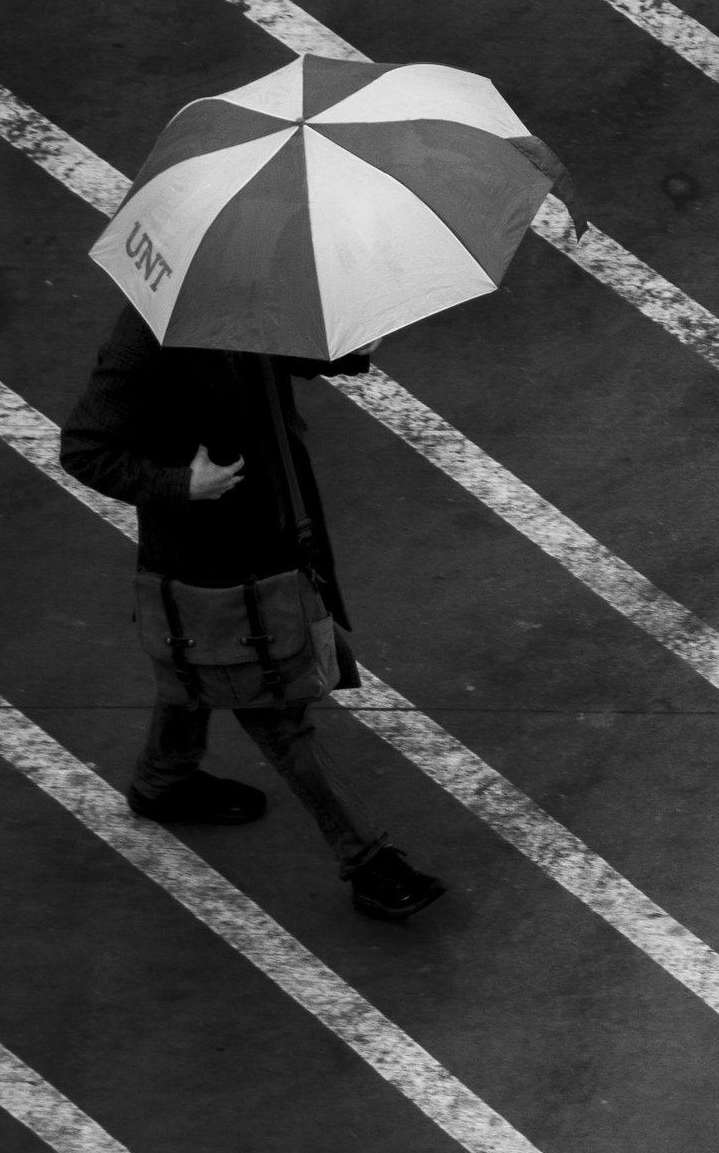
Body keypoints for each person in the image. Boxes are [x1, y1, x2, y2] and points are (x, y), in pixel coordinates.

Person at [60, 305, 446, 921]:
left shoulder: (249, 292)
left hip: (274, 529)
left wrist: (347, 339)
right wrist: (179, 487)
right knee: (272, 706)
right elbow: (84, 449)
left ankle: (164, 778)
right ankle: (368, 861)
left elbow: (282, 355)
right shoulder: (148, 333)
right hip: (212, 561)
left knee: (198, 659)